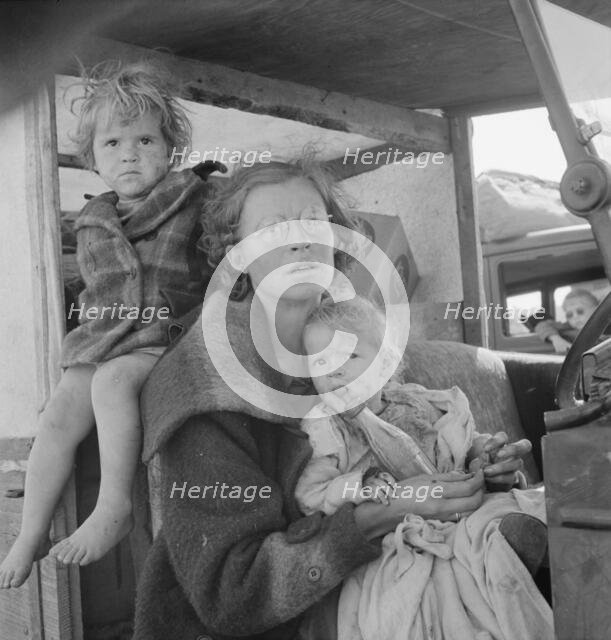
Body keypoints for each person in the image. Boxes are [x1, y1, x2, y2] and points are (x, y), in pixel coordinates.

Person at [131, 159, 527, 640]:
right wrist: (384, 511)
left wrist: (477, 468)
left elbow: (417, 450)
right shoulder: (205, 386)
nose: (299, 239)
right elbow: (231, 594)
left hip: (391, 565)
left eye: (312, 221)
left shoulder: (363, 345)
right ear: (236, 255)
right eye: (272, 228)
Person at [0, 60, 220, 588]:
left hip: (164, 334)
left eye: (145, 140)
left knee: (113, 381)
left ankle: (114, 506)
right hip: (103, 337)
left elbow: (223, 258)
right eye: (113, 143)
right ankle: (30, 533)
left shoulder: (196, 199)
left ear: (171, 150)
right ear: (92, 159)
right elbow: (90, 288)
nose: (129, 153)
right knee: (57, 415)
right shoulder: (92, 219)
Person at [295, 296, 551, 640]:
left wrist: (485, 456)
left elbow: (457, 446)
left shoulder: (418, 401)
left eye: (349, 356)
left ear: (385, 362)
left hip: (459, 508)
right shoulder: (326, 428)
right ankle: (503, 560)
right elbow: (310, 496)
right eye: (320, 360)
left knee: (536, 503)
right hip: (395, 536)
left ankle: (517, 544)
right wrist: (360, 485)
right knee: (424, 590)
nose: (334, 370)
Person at [533, 288, 600, 354]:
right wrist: (556, 339)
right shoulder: (567, 327)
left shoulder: (607, 326)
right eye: (569, 315)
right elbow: (541, 325)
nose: (575, 317)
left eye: (580, 311)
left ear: (596, 310)